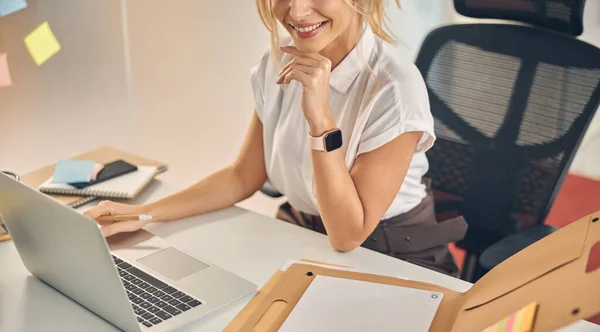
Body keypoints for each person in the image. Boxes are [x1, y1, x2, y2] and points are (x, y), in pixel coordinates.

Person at [84, 0, 466, 275]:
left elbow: (348, 234)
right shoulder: (279, 62)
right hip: (303, 236)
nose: (296, 12)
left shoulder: (394, 87)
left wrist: (321, 121)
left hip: (391, 254)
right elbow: (242, 177)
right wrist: (143, 214)